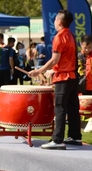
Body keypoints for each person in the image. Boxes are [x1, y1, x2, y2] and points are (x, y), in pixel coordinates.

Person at [29, 10, 81, 149]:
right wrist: (53, 70)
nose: (54, 21)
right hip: (72, 76)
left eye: (55, 19)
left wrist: (39, 71)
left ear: (59, 21)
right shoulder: (71, 35)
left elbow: (55, 59)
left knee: (60, 108)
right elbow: (66, 59)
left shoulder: (59, 37)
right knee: (72, 107)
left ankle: (57, 140)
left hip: (63, 78)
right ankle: (75, 136)